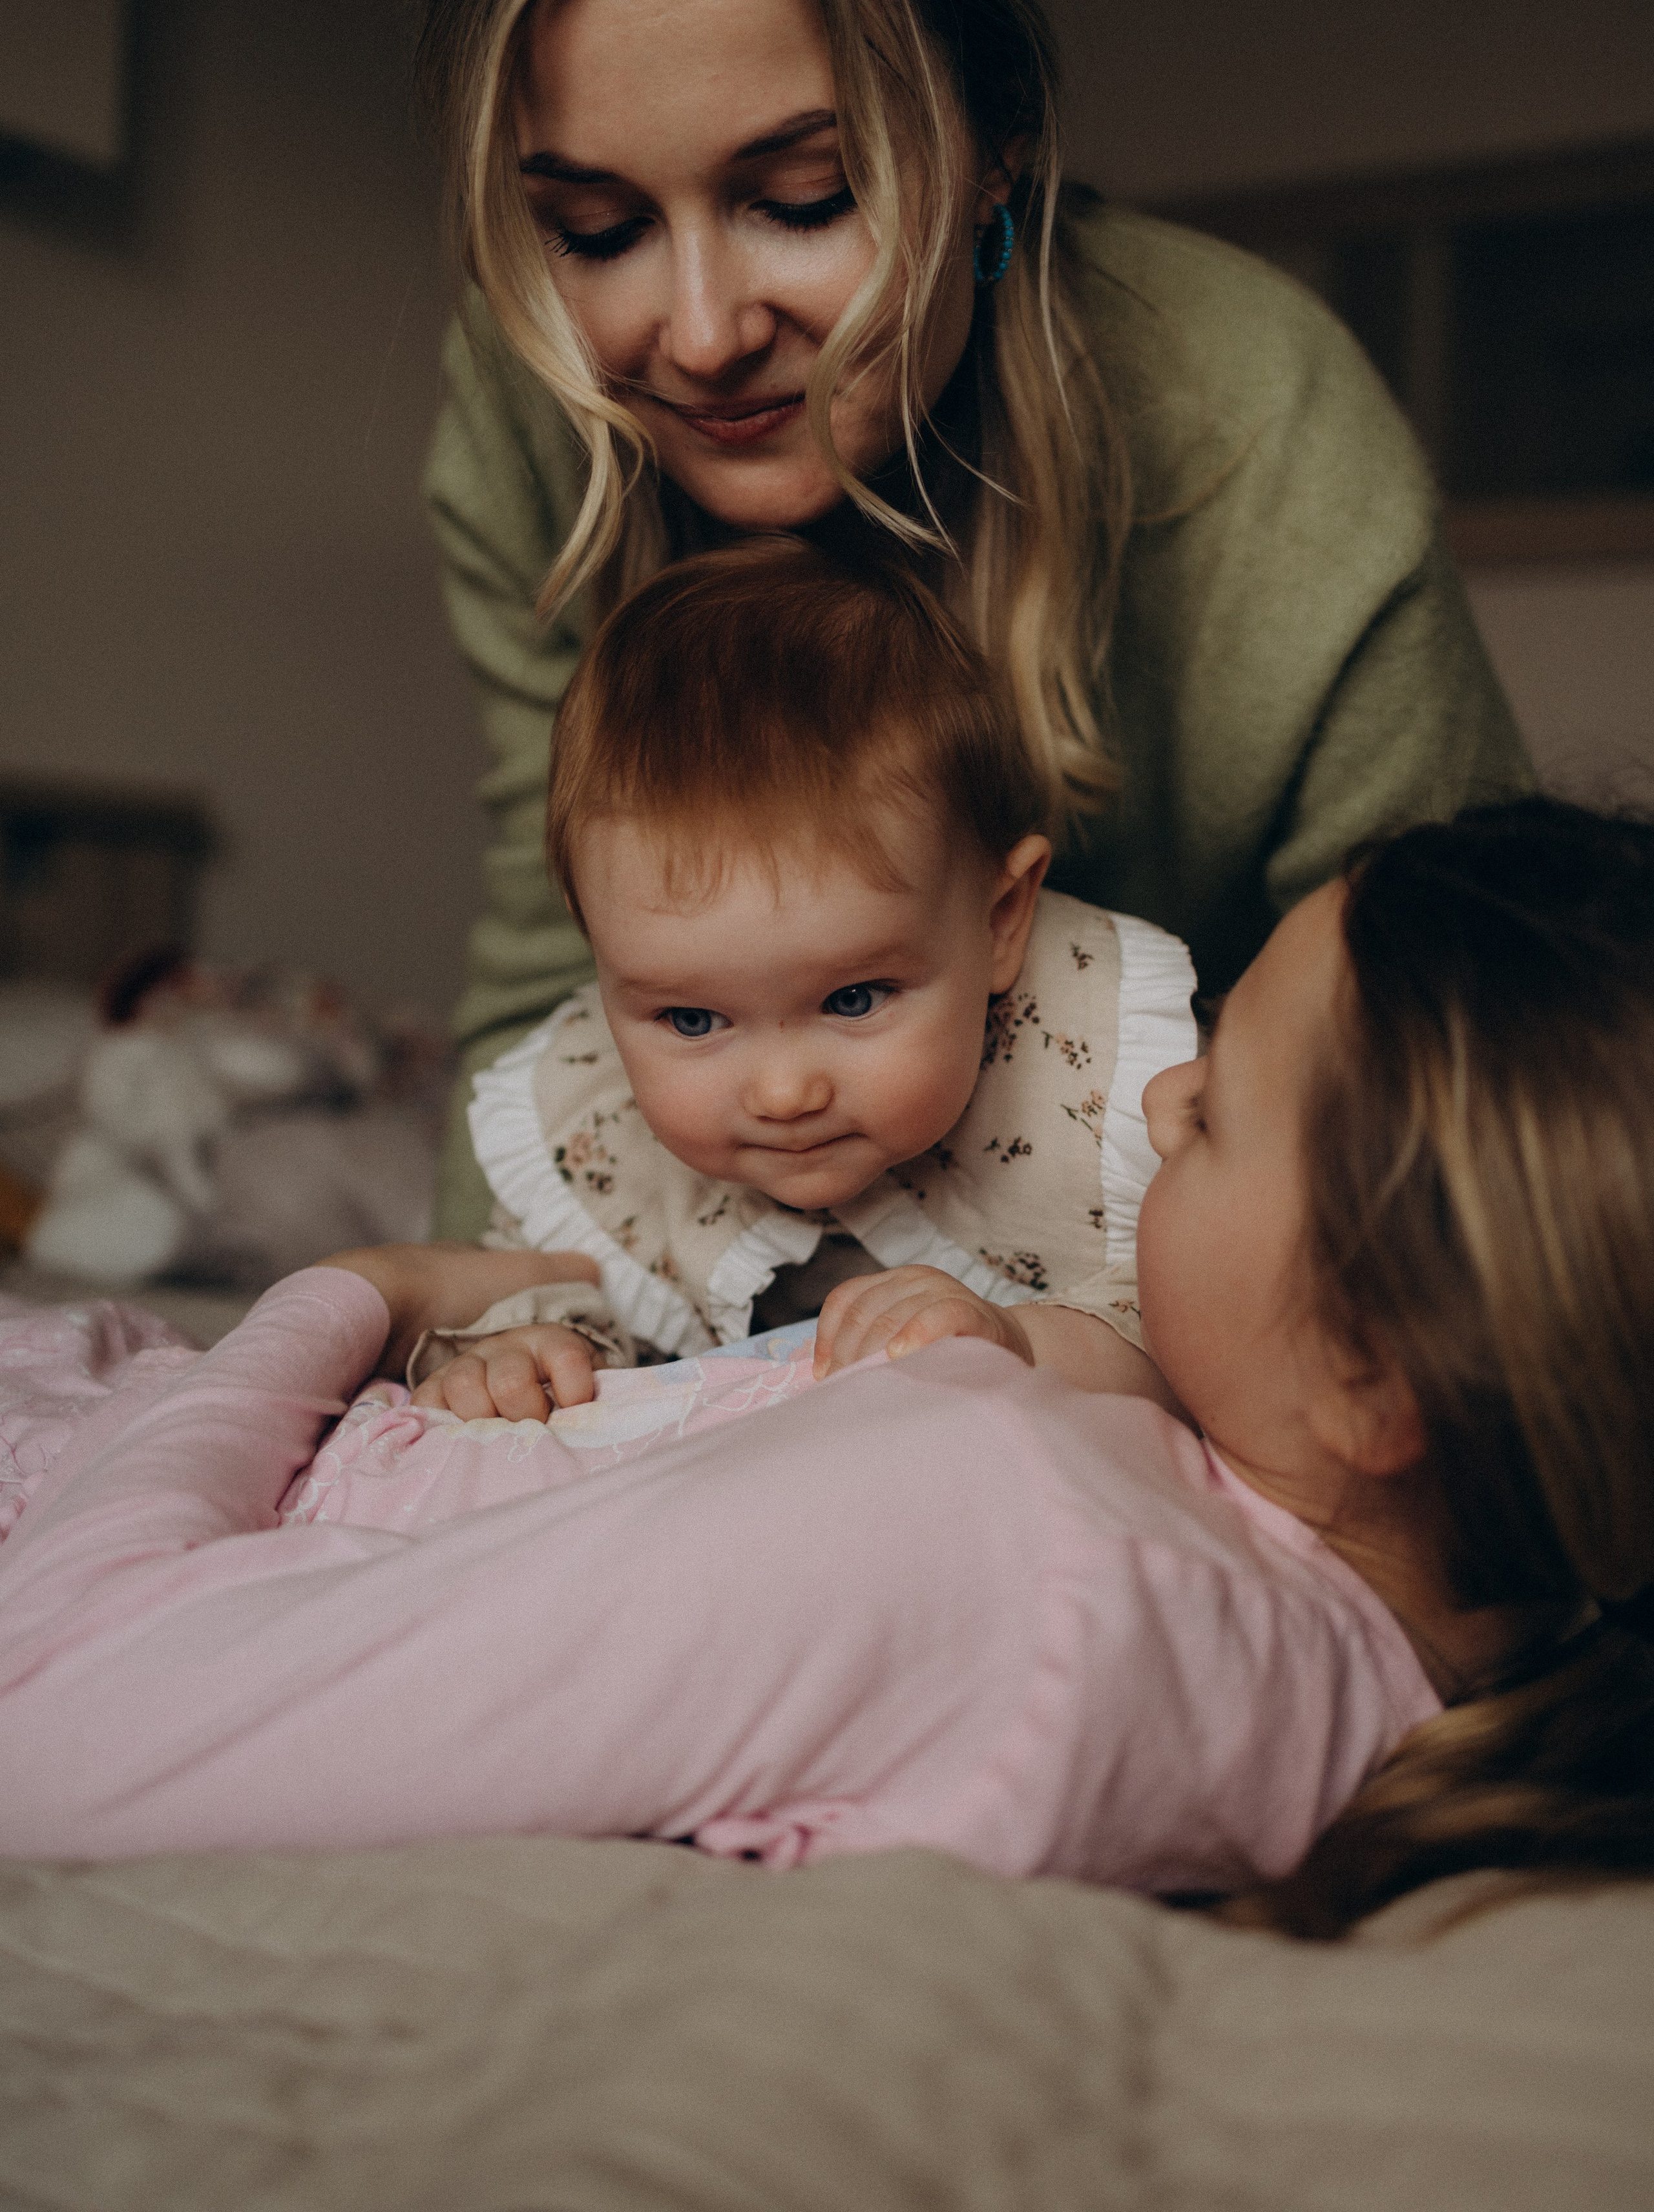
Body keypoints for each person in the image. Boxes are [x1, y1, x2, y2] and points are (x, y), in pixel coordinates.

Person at [2, 800, 1649, 1932]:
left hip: (103, 1484)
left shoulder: (996, 1539)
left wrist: (336, 1299)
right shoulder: (1415, 1666)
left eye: (1213, 1115)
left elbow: (56, 1718)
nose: (1153, 1105)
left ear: (1374, 1382)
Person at [415, 0, 1531, 1238]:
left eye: (805, 199)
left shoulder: (1257, 420)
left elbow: (1472, 1080)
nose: (696, 334)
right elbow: (545, 991)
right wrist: (472, 1346)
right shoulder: (529, 401)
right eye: (596, 230)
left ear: (995, 137)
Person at [410, 540, 1197, 1421]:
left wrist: (1023, 1341)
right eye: (694, 1020)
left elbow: (1220, 1345)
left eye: (853, 999)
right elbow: (550, 1293)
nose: (783, 1094)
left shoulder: (1116, 1093)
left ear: (1000, 920)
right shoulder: (593, 1124)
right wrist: (521, 1354)